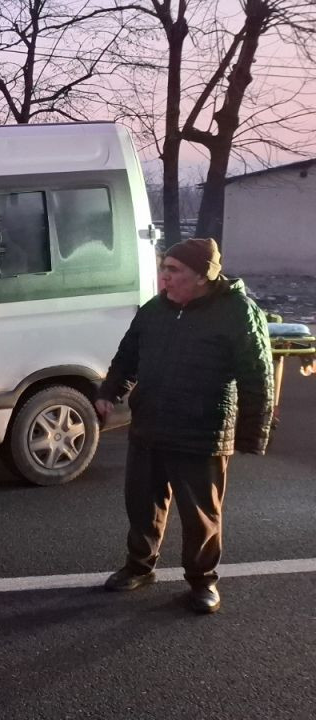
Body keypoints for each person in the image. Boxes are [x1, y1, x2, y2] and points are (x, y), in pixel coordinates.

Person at [96, 238, 273, 614]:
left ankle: (203, 581)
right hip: (150, 428)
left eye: (174, 271)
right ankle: (139, 567)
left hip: (202, 432)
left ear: (202, 276)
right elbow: (128, 356)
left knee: (200, 516)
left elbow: (258, 376)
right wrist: (109, 392)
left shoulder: (238, 312)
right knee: (142, 504)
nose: (164, 277)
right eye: (164, 268)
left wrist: (252, 434)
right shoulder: (154, 311)